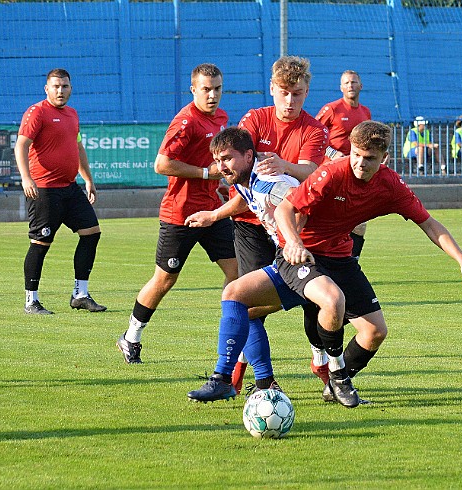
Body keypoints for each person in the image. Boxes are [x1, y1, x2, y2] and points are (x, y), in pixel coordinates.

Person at [188, 120, 462, 408]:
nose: (359, 163)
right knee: (303, 299)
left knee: (374, 332)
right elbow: (286, 210)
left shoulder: (390, 186)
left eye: (369, 158)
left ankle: (333, 385)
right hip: (303, 256)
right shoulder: (332, 172)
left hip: (341, 260)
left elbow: (429, 224)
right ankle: (241, 377)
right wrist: (293, 242)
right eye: (355, 155)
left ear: (384, 158)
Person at [186, 56, 327, 391]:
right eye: (284, 93)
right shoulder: (255, 119)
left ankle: (326, 365)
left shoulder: (313, 129)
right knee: (246, 304)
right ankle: (254, 380)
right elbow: (240, 172)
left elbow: (313, 175)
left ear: (306, 92)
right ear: (272, 89)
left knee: (317, 303)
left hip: (296, 228)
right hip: (251, 226)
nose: (290, 101)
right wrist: (216, 214)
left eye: (298, 94)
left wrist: (285, 165)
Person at [116, 63, 237, 364]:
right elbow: (161, 164)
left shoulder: (221, 118)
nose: (213, 95)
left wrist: (219, 186)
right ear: (194, 89)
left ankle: (231, 336)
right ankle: (131, 336)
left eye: (218, 89)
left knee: (237, 272)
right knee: (165, 279)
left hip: (212, 211)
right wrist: (205, 174)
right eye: (206, 89)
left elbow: (213, 166)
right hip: (180, 214)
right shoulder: (185, 121)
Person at [186, 127, 298, 402]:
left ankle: (227, 379)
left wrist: (299, 243)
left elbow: (297, 200)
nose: (221, 166)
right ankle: (262, 383)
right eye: (217, 160)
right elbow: (244, 199)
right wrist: (213, 215)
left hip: (309, 262)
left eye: (227, 158)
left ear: (249, 156)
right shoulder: (247, 181)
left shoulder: (272, 184)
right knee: (243, 304)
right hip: (295, 260)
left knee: (236, 296)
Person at [15, 68, 106, 315]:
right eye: (55, 86)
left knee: (91, 233)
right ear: (47, 89)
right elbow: (21, 145)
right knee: (40, 242)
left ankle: (80, 294)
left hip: (70, 188)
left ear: (70, 88)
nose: (60, 90)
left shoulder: (72, 114)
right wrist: (26, 178)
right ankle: (31, 300)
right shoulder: (37, 111)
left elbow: (78, 147)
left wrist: (88, 178)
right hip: (44, 190)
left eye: (65, 86)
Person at [316, 69, 372, 259]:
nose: (350, 86)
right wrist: (333, 153)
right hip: (332, 173)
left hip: (355, 173)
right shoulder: (331, 109)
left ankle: (351, 261)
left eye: (354, 82)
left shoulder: (365, 112)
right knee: (334, 220)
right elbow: (313, 136)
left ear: (361, 86)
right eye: (346, 83)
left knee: (360, 222)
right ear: (341, 87)